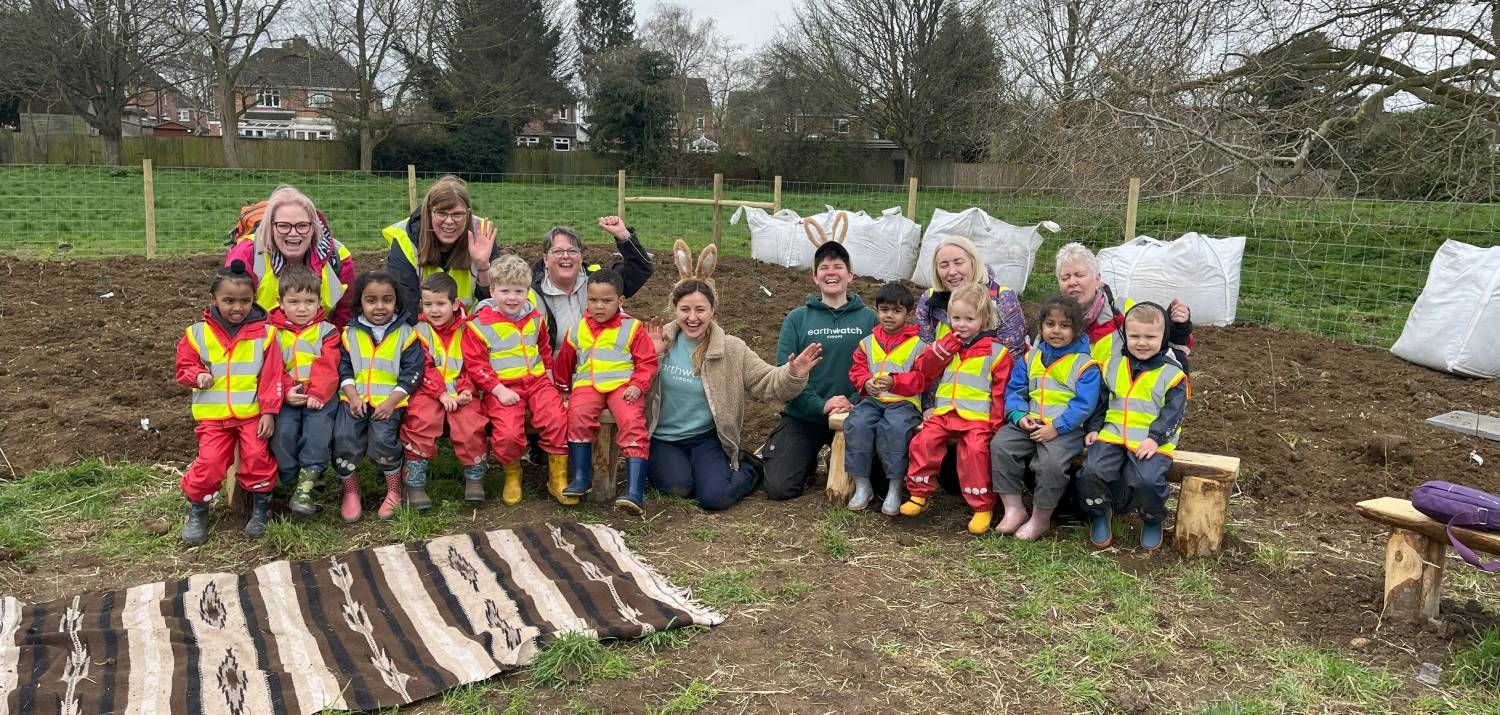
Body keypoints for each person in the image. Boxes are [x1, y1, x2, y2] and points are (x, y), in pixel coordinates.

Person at [645, 241, 823, 511]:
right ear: (675, 310)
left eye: (700, 310)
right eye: (685, 309)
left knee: (715, 497)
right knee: (678, 487)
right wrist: (653, 356)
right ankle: (687, 471)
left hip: (705, 438)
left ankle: (750, 469)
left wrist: (793, 374)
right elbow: (631, 385)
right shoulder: (658, 342)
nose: (692, 317)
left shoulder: (731, 349)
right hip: (663, 438)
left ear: (712, 311)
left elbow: (768, 383)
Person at [173, 260, 284, 545]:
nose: (238, 308)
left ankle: (261, 508)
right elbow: (184, 366)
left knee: (258, 457)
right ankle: (198, 508)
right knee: (209, 462)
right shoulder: (196, 333)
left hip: (251, 414)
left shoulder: (267, 334)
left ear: (254, 300)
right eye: (229, 301)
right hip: (214, 416)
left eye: (245, 301)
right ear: (213, 299)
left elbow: (272, 377)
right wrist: (196, 375)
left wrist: (269, 412)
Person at [761, 241, 876, 501]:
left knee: (877, 485)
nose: (831, 272)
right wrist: (821, 405)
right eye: (824, 268)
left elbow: (880, 369)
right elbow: (784, 375)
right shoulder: (797, 319)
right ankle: (807, 459)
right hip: (805, 417)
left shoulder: (869, 319)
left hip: (858, 415)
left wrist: (854, 403)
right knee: (780, 488)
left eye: (838, 266)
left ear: (850, 274)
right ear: (815, 277)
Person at [899, 283, 1014, 535]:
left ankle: (982, 506)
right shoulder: (945, 345)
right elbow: (925, 371)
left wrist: (995, 424)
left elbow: (1000, 392)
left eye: (969, 319)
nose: (961, 325)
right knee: (923, 442)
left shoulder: (997, 353)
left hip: (976, 418)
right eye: (956, 318)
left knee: (974, 452)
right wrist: (943, 348)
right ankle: (919, 493)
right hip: (944, 414)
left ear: (984, 319)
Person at [1077, 303, 1188, 552]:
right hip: (1112, 434)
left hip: (1151, 441)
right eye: (1135, 336)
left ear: (1164, 337)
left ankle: (1152, 518)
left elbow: (1174, 413)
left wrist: (1155, 438)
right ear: (1125, 335)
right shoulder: (1113, 366)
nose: (1142, 343)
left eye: (1150, 337)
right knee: (1091, 471)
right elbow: (1101, 401)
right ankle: (1099, 511)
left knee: (1146, 479)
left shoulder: (1173, 374)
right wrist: (1094, 427)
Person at [463, 255, 572, 505]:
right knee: (508, 433)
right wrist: (498, 390)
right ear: (492, 290)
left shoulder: (534, 317)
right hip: (503, 388)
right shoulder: (479, 325)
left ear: (527, 291)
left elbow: (543, 345)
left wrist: (548, 372)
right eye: (504, 291)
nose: (512, 297)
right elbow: (476, 364)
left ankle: (558, 478)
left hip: (537, 382)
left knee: (556, 419)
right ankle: (512, 474)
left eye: (518, 291)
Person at [991, 295, 1102, 540]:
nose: (1056, 330)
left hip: (1065, 430)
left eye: (1065, 325)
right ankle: (1013, 509)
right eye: (1050, 324)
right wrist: (1019, 416)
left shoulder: (1086, 365)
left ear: (1077, 329)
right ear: (1041, 326)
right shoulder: (1031, 358)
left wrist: (1057, 427)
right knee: (1000, 446)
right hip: (1029, 422)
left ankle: (1040, 519)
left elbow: (1083, 405)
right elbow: (1015, 391)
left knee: (1050, 465)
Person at [554, 268, 660, 513]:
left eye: (606, 300)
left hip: (622, 387)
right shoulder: (578, 329)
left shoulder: (632, 328)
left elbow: (647, 362)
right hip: (587, 386)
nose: (599, 306)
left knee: (632, 422)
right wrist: (563, 389)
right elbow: (564, 362)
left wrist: (637, 384)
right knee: (577, 416)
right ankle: (581, 477)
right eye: (593, 300)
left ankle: (634, 492)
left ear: (620, 301)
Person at [333, 271, 423, 522]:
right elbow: (343, 368)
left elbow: (412, 372)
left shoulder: (407, 334)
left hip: (390, 401)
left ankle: (394, 488)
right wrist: (351, 396)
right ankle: (351, 490)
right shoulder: (349, 333)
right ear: (360, 302)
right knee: (344, 436)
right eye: (371, 300)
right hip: (354, 400)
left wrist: (392, 402)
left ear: (397, 302)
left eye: (387, 299)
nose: (380, 306)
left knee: (383, 438)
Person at [400, 274, 488, 508]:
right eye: (428, 304)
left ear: (456, 304)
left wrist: (467, 390)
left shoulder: (468, 330)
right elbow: (423, 367)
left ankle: (475, 478)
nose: (434, 310)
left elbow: (473, 364)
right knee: (421, 420)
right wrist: (441, 394)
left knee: (470, 423)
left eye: (440, 304)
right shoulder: (418, 331)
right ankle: (415, 483)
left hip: (460, 392)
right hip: (427, 391)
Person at [843, 282, 927, 515]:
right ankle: (862, 485)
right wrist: (865, 383)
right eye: (884, 309)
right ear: (877, 309)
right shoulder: (867, 343)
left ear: (908, 314)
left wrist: (896, 382)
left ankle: (895, 487)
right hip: (873, 400)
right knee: (856, 423)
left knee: (896, 429)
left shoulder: (919, 345)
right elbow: (857, 370)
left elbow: (923, 378)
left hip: (904, 403)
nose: (889, 316)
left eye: (897, 311)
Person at [266, 265, 341, 516]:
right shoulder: (271, 333)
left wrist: (318, 394)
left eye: (309, 301)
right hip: (286, 395)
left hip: (321, 396)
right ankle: (290, 480)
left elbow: (328, 365)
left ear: (319, 301)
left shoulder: (327, 331)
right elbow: (271, 367)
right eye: (294, 301)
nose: (302, 308)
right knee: (283, 433)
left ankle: (305, 488)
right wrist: (286, 390)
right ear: (280, 302)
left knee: (316, 435)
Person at [225, 185, 356, 326]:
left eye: (302, 225)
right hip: (259, 342)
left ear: (314, 227)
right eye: (283, 226)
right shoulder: (247, 253)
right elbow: (230, 312)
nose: (293, 233)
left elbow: (345, 319)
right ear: (271, 227)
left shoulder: (337, 256)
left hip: (316, 343)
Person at [1055, 242, 1194, 369]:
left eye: (1079, 275)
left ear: (1097, 279)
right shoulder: (1052, 320)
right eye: (1065, 277)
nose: (1072, 282)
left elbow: (1165, 346)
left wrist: (1178, 327)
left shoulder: (1125, 311)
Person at [531, 218, 655, 355]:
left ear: (581, 257)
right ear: (545, 259)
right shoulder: (530, 292)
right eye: (558, 251)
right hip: (555, 371)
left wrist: (623, 236)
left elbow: (641, 269)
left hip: (602, 367)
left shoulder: (599, 279)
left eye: (572, 251)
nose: (565, 256)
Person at [383, 175, 502, 311]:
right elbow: (405, 307)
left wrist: (483, 266)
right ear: (429, 213)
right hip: (423, 328)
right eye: (441, 213)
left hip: (470, 328)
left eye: (457, 214)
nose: (449, 221)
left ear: (468, 214)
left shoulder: (482, 235)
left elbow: (496, 304)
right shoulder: (405, 239)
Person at [914, 236, 1027, 355]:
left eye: (958, 263)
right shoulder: (928, 300)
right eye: (944, 265)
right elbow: (923, 352)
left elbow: (1011, 356)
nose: (952, 272)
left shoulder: (1002, 298)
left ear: (974, 263)